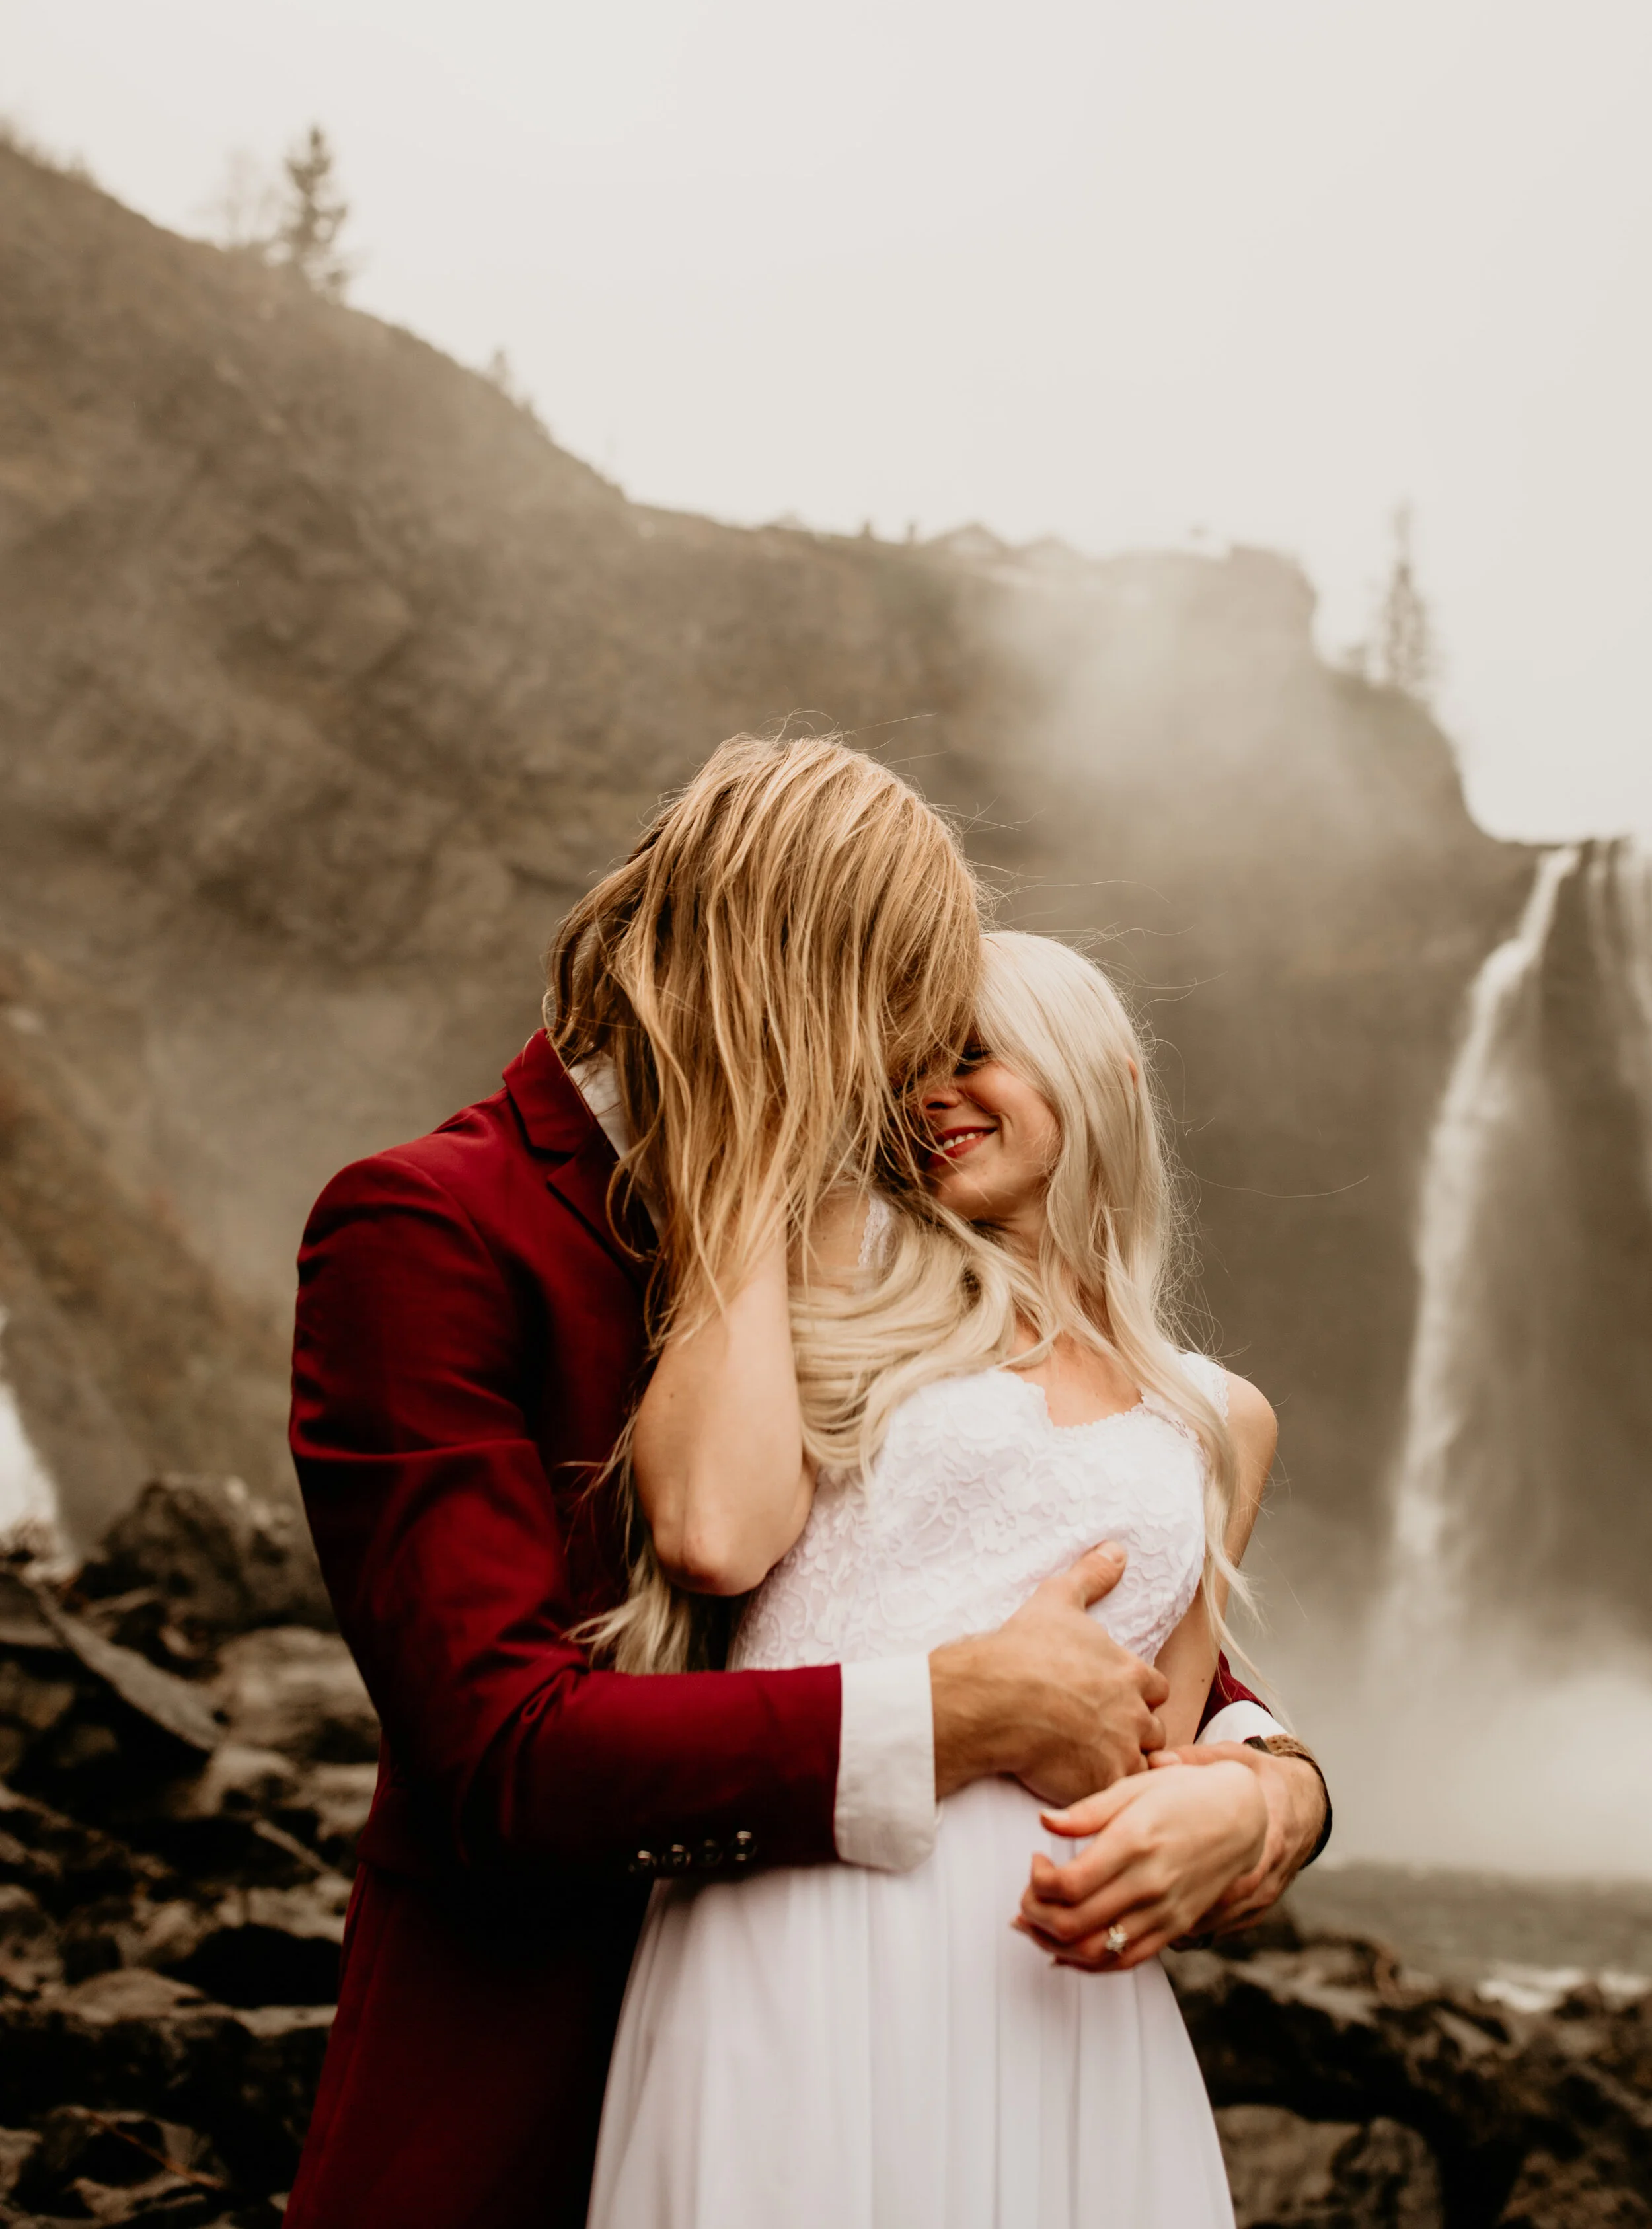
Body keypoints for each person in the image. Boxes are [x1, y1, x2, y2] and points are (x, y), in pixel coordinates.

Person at [283, 739, 1325, 2229]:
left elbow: (1064, 1579)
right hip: (551, 2087)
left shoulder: (897, 1241)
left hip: (973, 2053)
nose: (915, 1081)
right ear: (799, 980)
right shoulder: (435, 1227)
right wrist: (949, 1714)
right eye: (902, 1018)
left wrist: (1271, 1795)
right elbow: (496, 1752)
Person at [586, 930, 1324, 2229]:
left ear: (1104, 1074)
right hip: (804, 1921)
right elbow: (709, 1531)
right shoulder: (831, 1253)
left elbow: (1152, 1740)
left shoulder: (1219, 1421)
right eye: (907, 1068)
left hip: (1068, 1977)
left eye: (971, 1054)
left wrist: (1253, 1802)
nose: (931, 1091)